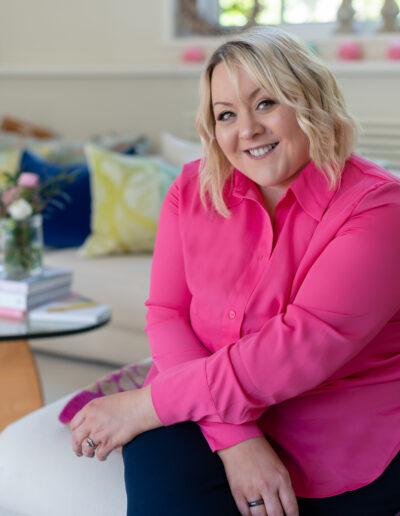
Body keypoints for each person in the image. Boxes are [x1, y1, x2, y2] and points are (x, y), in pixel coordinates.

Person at [70, 27, 400, 516]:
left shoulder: (380, 207)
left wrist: (146, 404)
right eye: (226, 114)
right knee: (160, 475)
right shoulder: (192, 189)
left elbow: (299, 346)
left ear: (309, 101)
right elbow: (166, 314)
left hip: (343, 423)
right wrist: (236, 439)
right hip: (205, 402)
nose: (246, 129)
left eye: (265, 103)